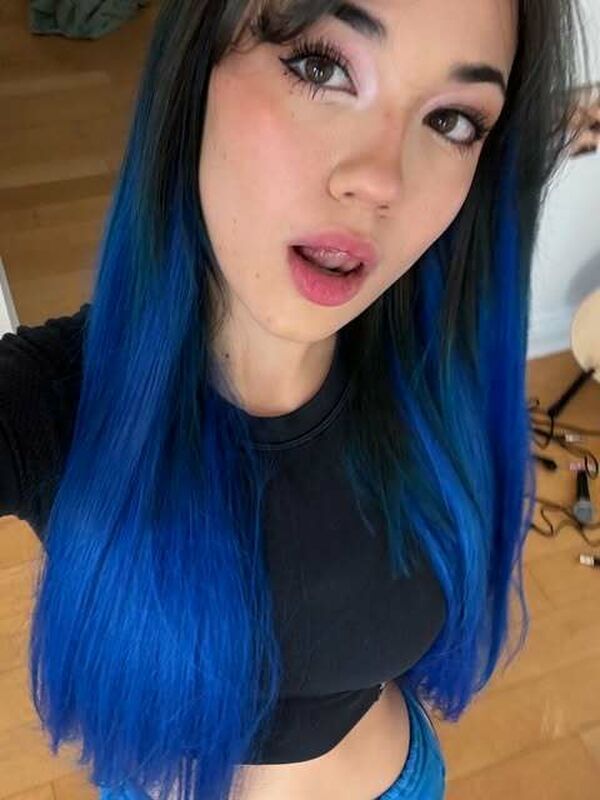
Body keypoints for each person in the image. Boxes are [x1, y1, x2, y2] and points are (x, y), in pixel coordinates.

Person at [0, 0, 589, 798]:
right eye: (321, 66)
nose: (381, 181)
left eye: (451, 119)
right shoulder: (54, 405)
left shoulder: (437, 377)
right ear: (197, 64)